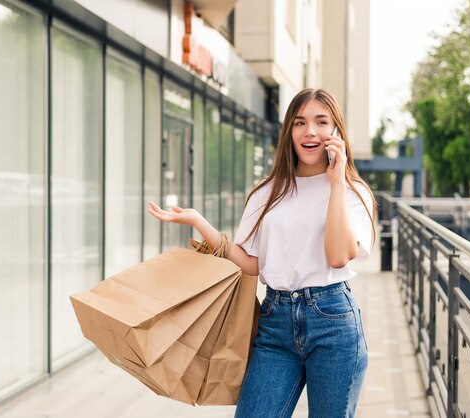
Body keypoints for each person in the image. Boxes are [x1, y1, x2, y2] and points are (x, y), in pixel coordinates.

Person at [148, 88, 376, 418]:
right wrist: (201, 223)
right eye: (300, 123)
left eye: (321, 122)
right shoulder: (267, 192)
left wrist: (336, 182)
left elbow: (338, 257)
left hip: (333, 322)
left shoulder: (354, 192)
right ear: (289, 132)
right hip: (275, 322)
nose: (310, 131)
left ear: (336, 131)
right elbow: (252, 264)